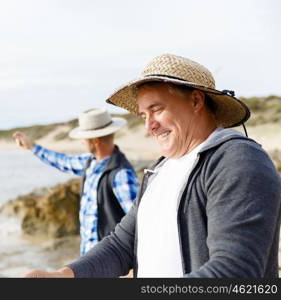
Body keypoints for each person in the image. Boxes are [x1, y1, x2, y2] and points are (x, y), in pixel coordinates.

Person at [24, 54, 281, 278]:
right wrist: (65, 275)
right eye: (144, 115)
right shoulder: (160, 170)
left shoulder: (237, 160)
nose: (149, 126)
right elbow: (121, 244)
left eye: (156, 109)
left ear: (195, 101)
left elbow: (235, 271)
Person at [13, 108, 139, 256]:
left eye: (83, 138)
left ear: (95, 140)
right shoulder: (90, 162)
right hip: (89, 256)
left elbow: (139, 223)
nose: (81, 142)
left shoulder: (121, 174)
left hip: (109, 260)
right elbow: (63, 161)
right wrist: (33, 147)